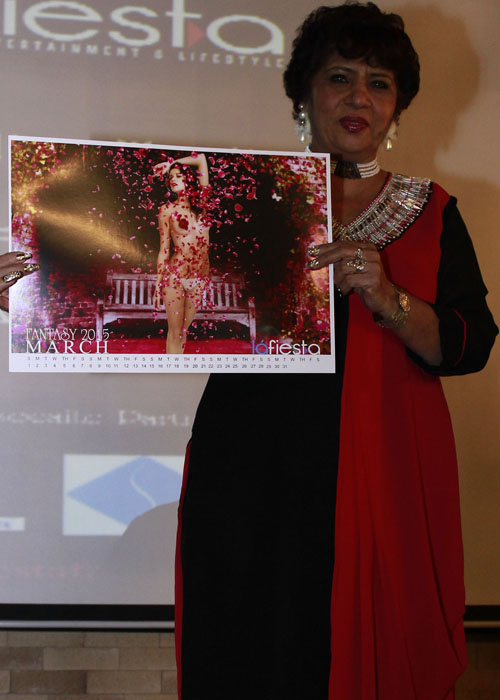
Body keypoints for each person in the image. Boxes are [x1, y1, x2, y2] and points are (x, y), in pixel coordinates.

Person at [175, 4, 498, 700]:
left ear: (396, 108)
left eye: (379, 83)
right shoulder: (240, 198)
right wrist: (33, 300)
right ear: (304, 95)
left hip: (380, 465)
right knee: (246, 641)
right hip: (249, 463)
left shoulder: (431, 211)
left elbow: (469, 343)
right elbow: (165, 294)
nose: (359, 97)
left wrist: (389, 297)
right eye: (339, 77)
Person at [153, 153, 210, 353]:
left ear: (190, 179)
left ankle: (176, 365)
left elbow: (201, 159)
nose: (173, 180)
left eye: (179, 176)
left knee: (184, 331)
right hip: (176, 275)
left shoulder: (203, 204)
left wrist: (170, 164)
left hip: (199, 275)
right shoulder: (166, 210)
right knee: (174, 332)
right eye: (171, 177)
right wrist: (158, 283)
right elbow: (164, 249)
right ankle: (171, 368)